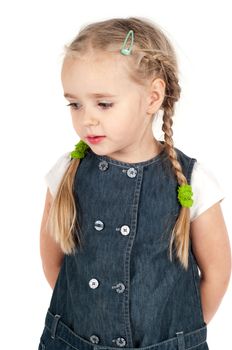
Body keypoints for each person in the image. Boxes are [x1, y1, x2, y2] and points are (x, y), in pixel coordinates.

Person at [38, 17, 231, 350]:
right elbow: (54, 261)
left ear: (153, 97)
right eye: (75, 104)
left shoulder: (191, 181)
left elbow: (216, 273)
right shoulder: (68, 171)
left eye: (104, 103)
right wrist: (88, 313)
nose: (87, 118)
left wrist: (179, 333)